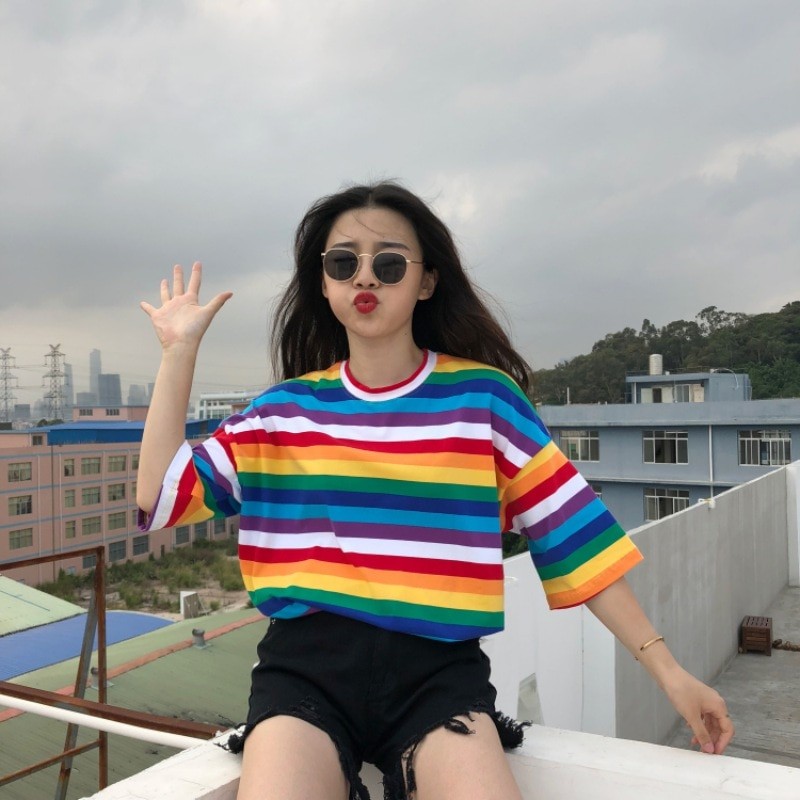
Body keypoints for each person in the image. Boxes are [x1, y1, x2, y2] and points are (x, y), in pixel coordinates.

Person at [137, 181, 734, 800]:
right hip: (305, 673)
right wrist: (178, 352)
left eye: (389, 263)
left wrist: (669, 672)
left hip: (438, 679)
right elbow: (160, 499)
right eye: (343, 262)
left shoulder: (483, 400)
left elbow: (576, 541)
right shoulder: (281, 413)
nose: (365, 277)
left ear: (426, 281)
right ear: (324, 283)